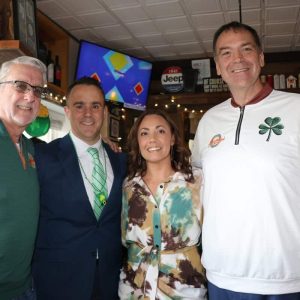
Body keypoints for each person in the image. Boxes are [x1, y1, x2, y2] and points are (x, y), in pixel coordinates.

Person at [192, 21, 300, 299]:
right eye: (226, 53)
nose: (237, 59)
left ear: (261, 57)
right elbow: (193, 186)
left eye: (246, 49)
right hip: (222, 275)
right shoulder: (208, 121)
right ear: (217, 66)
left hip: (286, 278)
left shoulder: (295, 109)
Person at [32, 77, 127, 300]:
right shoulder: (43, 157)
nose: (88, 113)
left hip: (109, 279)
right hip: (58, 280)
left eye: (95, 106)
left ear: (104, 112)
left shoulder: (121, 160)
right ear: (66, 111)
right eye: (79, 105)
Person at [119, 109, 207, 299]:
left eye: (160, 131)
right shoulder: (128, 186)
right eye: (144, 133)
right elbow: (124, 239)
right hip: (135, 288)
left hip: (184, 289)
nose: (152, 139)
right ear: (138, 142)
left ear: (173, 138)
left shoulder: (196, 181)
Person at [0, 56, 47, 300]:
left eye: (37, 90)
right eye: (20, 86)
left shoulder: (31, 148)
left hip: (25, 286)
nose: (30, 97)